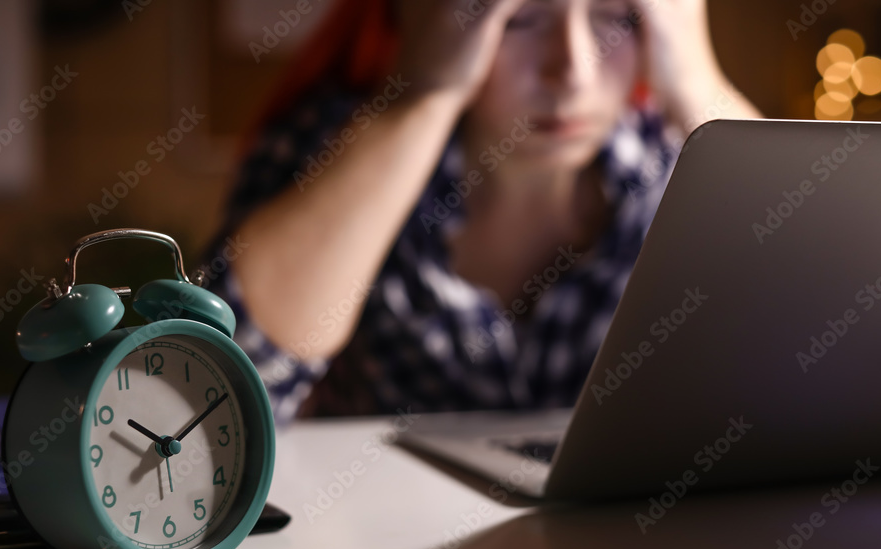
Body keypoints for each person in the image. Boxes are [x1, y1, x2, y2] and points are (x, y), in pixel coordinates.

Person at [202, 0, 759, 424]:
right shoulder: (327, 148)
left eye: (614, 15)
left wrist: (697, 82)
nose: (573, 73)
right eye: (519, 18)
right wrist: (426, 92)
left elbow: (836, 347)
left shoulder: (682, 170)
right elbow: (220, 390)